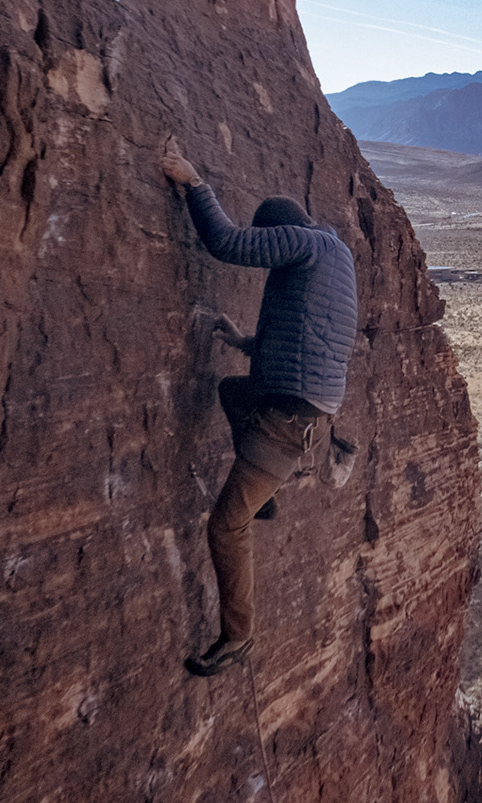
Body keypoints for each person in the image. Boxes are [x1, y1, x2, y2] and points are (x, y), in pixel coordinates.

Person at [159, 137, 359, 677]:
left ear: (278, 231)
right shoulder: (334, 257)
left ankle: (238, 637)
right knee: (233, 391)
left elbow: (226, 242)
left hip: (290, 419)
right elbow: (306, 337)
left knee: (226, 526)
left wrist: (194, 184)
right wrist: (243, 341)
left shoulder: (298, 243)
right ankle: (264, 497)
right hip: (305, 403)